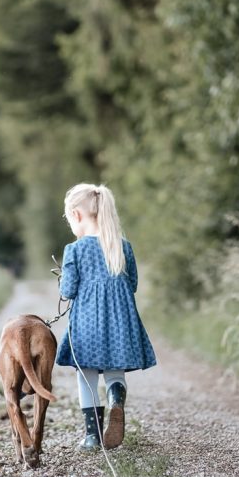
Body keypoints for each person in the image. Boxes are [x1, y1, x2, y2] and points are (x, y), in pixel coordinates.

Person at [55, 183, 157, 450]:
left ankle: (92, 437)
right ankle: (116, 401)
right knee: (114, 371)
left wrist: (63, 279)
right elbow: (132, 284)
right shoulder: (123, 247)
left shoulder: (75, 250)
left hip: (87, 321)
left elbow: (68, 291)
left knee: (86, 375)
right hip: (121, 321)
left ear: (76, 214)